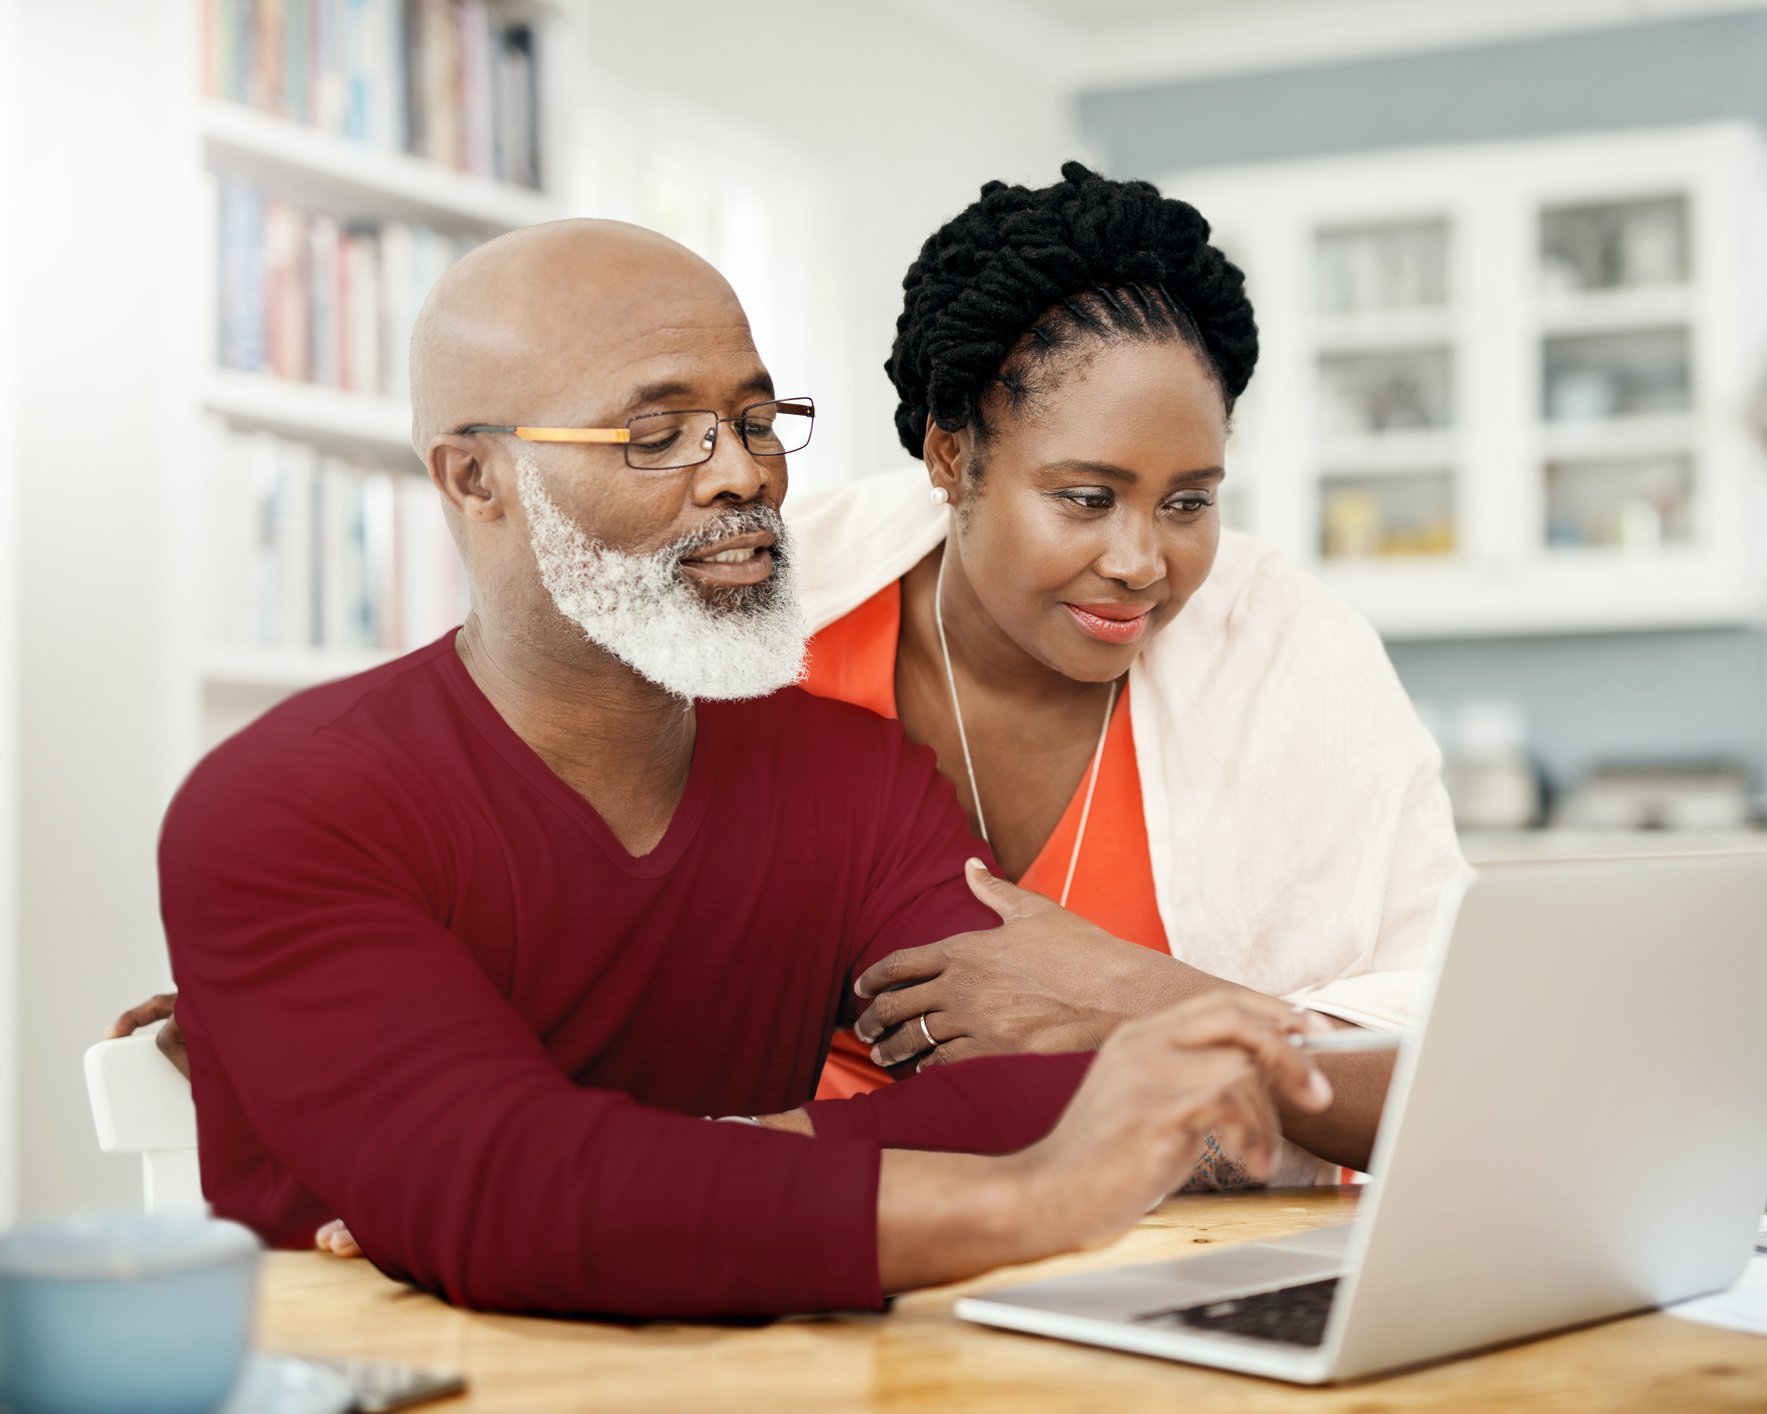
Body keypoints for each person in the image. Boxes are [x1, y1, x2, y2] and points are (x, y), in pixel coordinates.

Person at [151, 217, 1336, 1319]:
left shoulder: (852, 776)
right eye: (657, 435)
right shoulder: (285, 803)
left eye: (758, 423)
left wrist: (656, 1172)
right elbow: (496, 1187)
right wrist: (1027, 1201)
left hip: (738, 1365)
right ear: (475, 479)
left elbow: (1038, 1084)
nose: (742, 476)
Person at [792, 164, 1469, 1181]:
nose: (1141, 560)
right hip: (805, 1222)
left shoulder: (1288, 655)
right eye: (1082, 497)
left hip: (1161, 1248)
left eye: (1188, 502)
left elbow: (1460, 1080)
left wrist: (1138, 996)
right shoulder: (770, 612)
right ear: (948, 456)